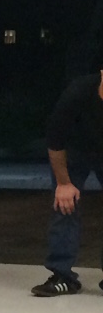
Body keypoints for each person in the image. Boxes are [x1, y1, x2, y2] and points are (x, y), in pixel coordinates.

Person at [30, 67, 103, 296]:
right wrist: (63, 184)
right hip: (73, 150)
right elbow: (55, 139)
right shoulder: (78, 92)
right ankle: (63, 276)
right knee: (65, 205)